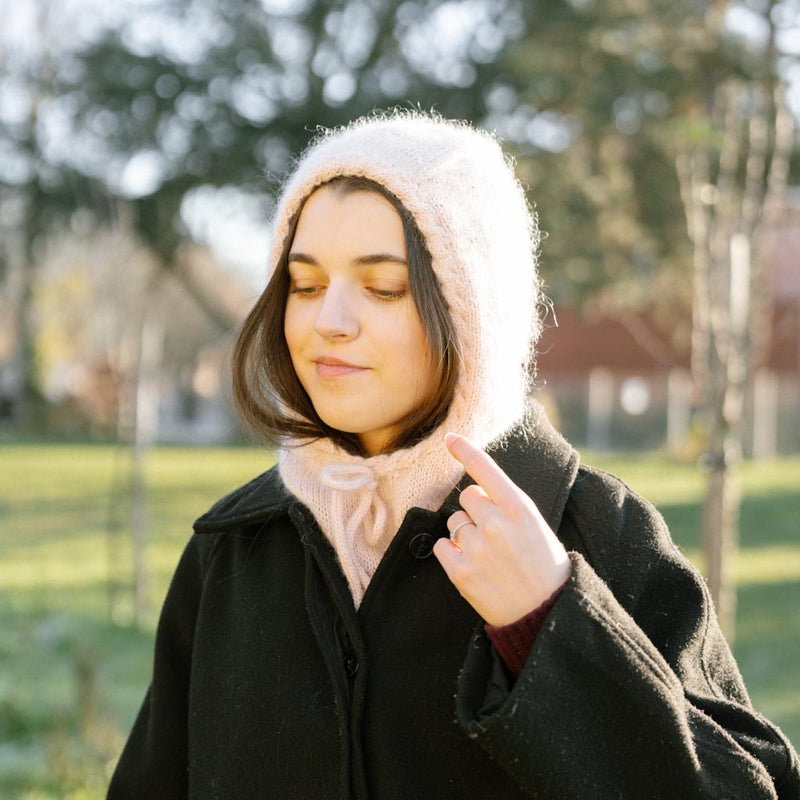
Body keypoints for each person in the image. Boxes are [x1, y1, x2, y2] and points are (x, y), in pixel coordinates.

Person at [108, 110, 800, 799]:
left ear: (474, 309)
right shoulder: (231, 551)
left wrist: (550, 623)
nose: (329, 322)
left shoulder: (596, 531)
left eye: (384, 287)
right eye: (306, 284)